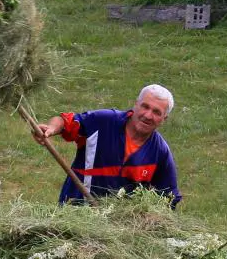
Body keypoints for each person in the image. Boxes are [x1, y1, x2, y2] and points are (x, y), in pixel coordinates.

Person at [33, 85, 182, 207]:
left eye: (157, 112)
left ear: (164, 119)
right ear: (136, 105)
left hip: (117, 229)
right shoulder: (102, 122)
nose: (148, 115)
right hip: (74, 213)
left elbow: (168, 197)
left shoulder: (160, 152)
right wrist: (51, 129)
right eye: (145, 107)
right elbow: (65, 122)